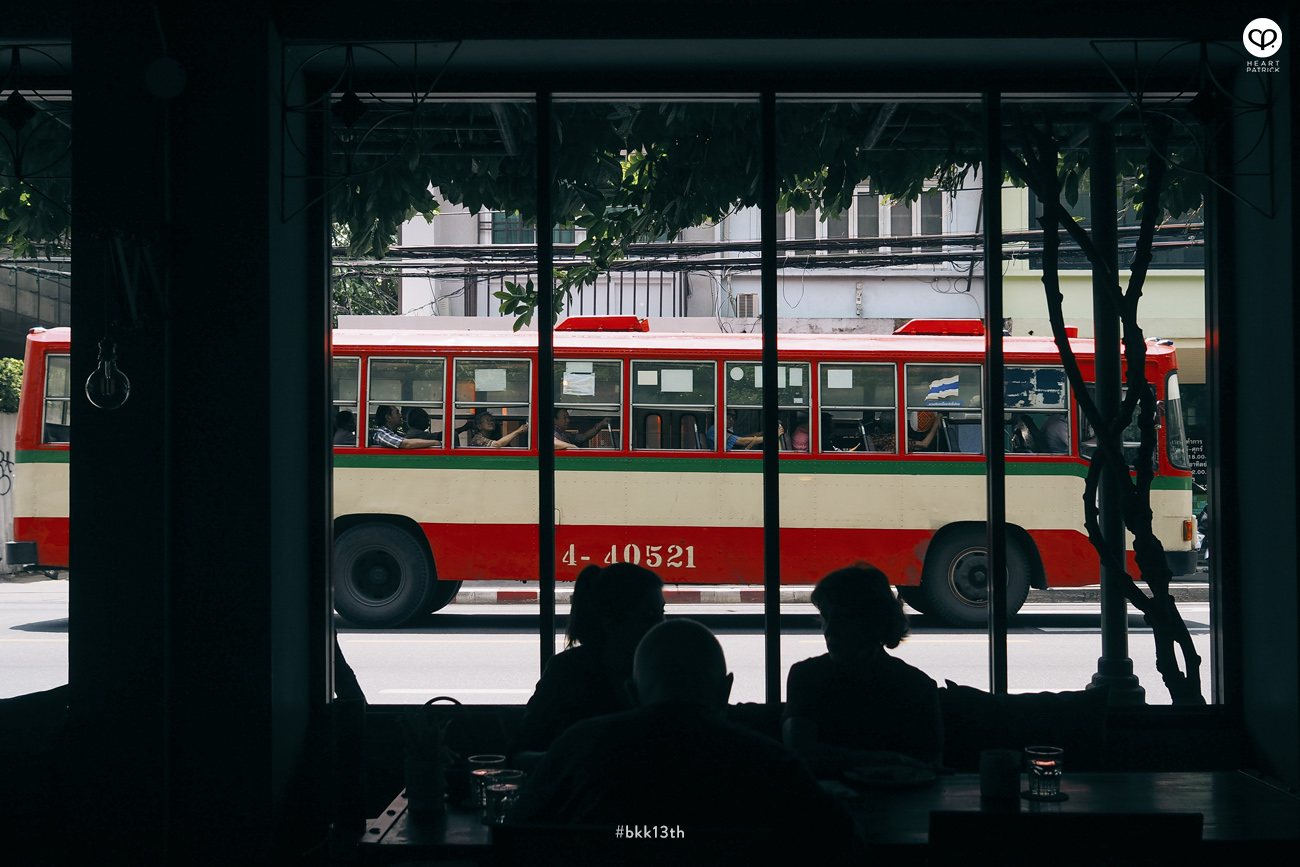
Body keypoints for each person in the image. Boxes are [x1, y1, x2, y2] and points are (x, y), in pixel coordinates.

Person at [513, 619, 853, 857]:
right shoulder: (772, 763)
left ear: (632, 694)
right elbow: (840, 839)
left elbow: (518, 832)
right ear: (725, 691)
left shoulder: (578, 746)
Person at [783, 563, 943, 776]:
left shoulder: (808, 676)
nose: (828, 629)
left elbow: (801, 751)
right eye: (826, 617)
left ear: (873, 621)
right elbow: (925, 766)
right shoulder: (917, 686)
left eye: (841, 617)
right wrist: (889, 761)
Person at [509, 563, 665, 754]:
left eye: (661, 613)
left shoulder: (565, 669)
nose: (662, 624)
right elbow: (522, 751)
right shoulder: (567, 674)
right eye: (648, 616)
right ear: (611, 622)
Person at [368, 405, 441, 449]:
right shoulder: (381, 434)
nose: (400, 415)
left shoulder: (397, 433)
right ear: (388, 417)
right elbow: (406, 444)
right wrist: (434, 442)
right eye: (397, 413)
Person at [706, 409, 782, 450]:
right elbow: (742, 441)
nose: (731, 420)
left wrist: (767, 431)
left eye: (734, 417)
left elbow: (746, 436)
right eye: (729, 416)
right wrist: (772, 437)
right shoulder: (715, 429)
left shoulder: (726, 431)